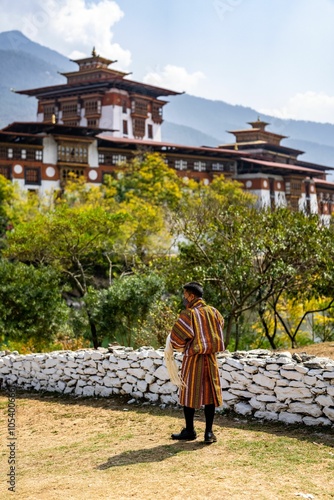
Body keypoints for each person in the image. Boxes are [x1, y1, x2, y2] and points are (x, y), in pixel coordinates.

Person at [169, 281, 225, 444]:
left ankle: (190, 430)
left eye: (185, 295)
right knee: (210, 394)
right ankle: (208, 433)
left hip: (193, 359)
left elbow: (176, 338)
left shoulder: (189, 314)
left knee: (188, 393)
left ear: (192, 296)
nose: (184, 298)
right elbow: (220, 326)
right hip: (210, 358)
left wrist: (182, 346)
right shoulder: (214, 312)